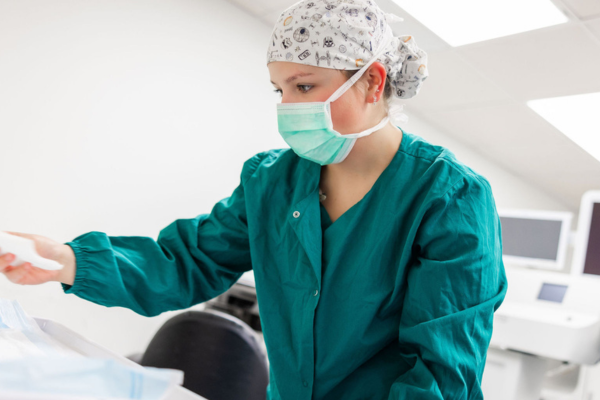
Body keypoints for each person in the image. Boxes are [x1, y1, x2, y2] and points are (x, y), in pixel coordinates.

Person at [0, 0, 507, 399]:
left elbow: (441, 373)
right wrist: (68, 261)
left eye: (304, 86)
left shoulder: (449, 198)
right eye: (279, 90)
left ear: (372, 81)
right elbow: (189, 261)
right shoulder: (272, 181)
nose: (288, 107)